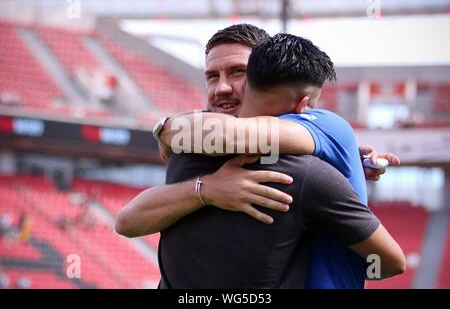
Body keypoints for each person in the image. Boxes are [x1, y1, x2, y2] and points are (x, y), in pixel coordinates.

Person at [116, 25, 400, 288]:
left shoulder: (311, 157)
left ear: (266, 76)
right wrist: (206, 189)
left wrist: (166, 128)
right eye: (212, 76)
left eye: (238, 72)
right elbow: (127, 222)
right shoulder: (193, 145)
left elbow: (388, 262)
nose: (222, 87)